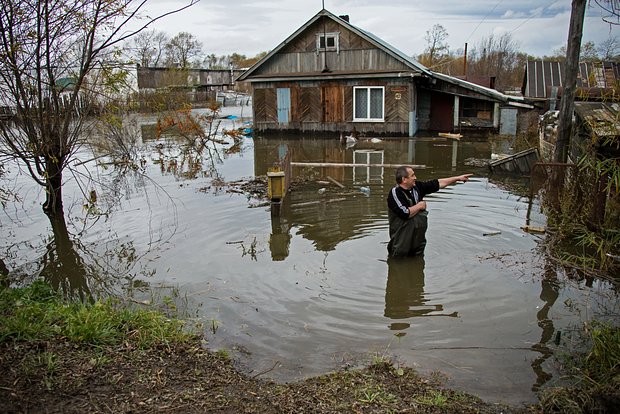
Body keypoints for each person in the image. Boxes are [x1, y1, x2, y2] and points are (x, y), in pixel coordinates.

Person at [386, 166, 472, 258]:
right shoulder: (395, 193)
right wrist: (419, 206)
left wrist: (457, 178)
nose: (415, 177)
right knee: (398, 262)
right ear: (404, 179)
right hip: (401, 242)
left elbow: (438, 183)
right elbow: (405, 213)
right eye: (412, 175)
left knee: (418, 262)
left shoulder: (417, 187)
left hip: (417, 240)